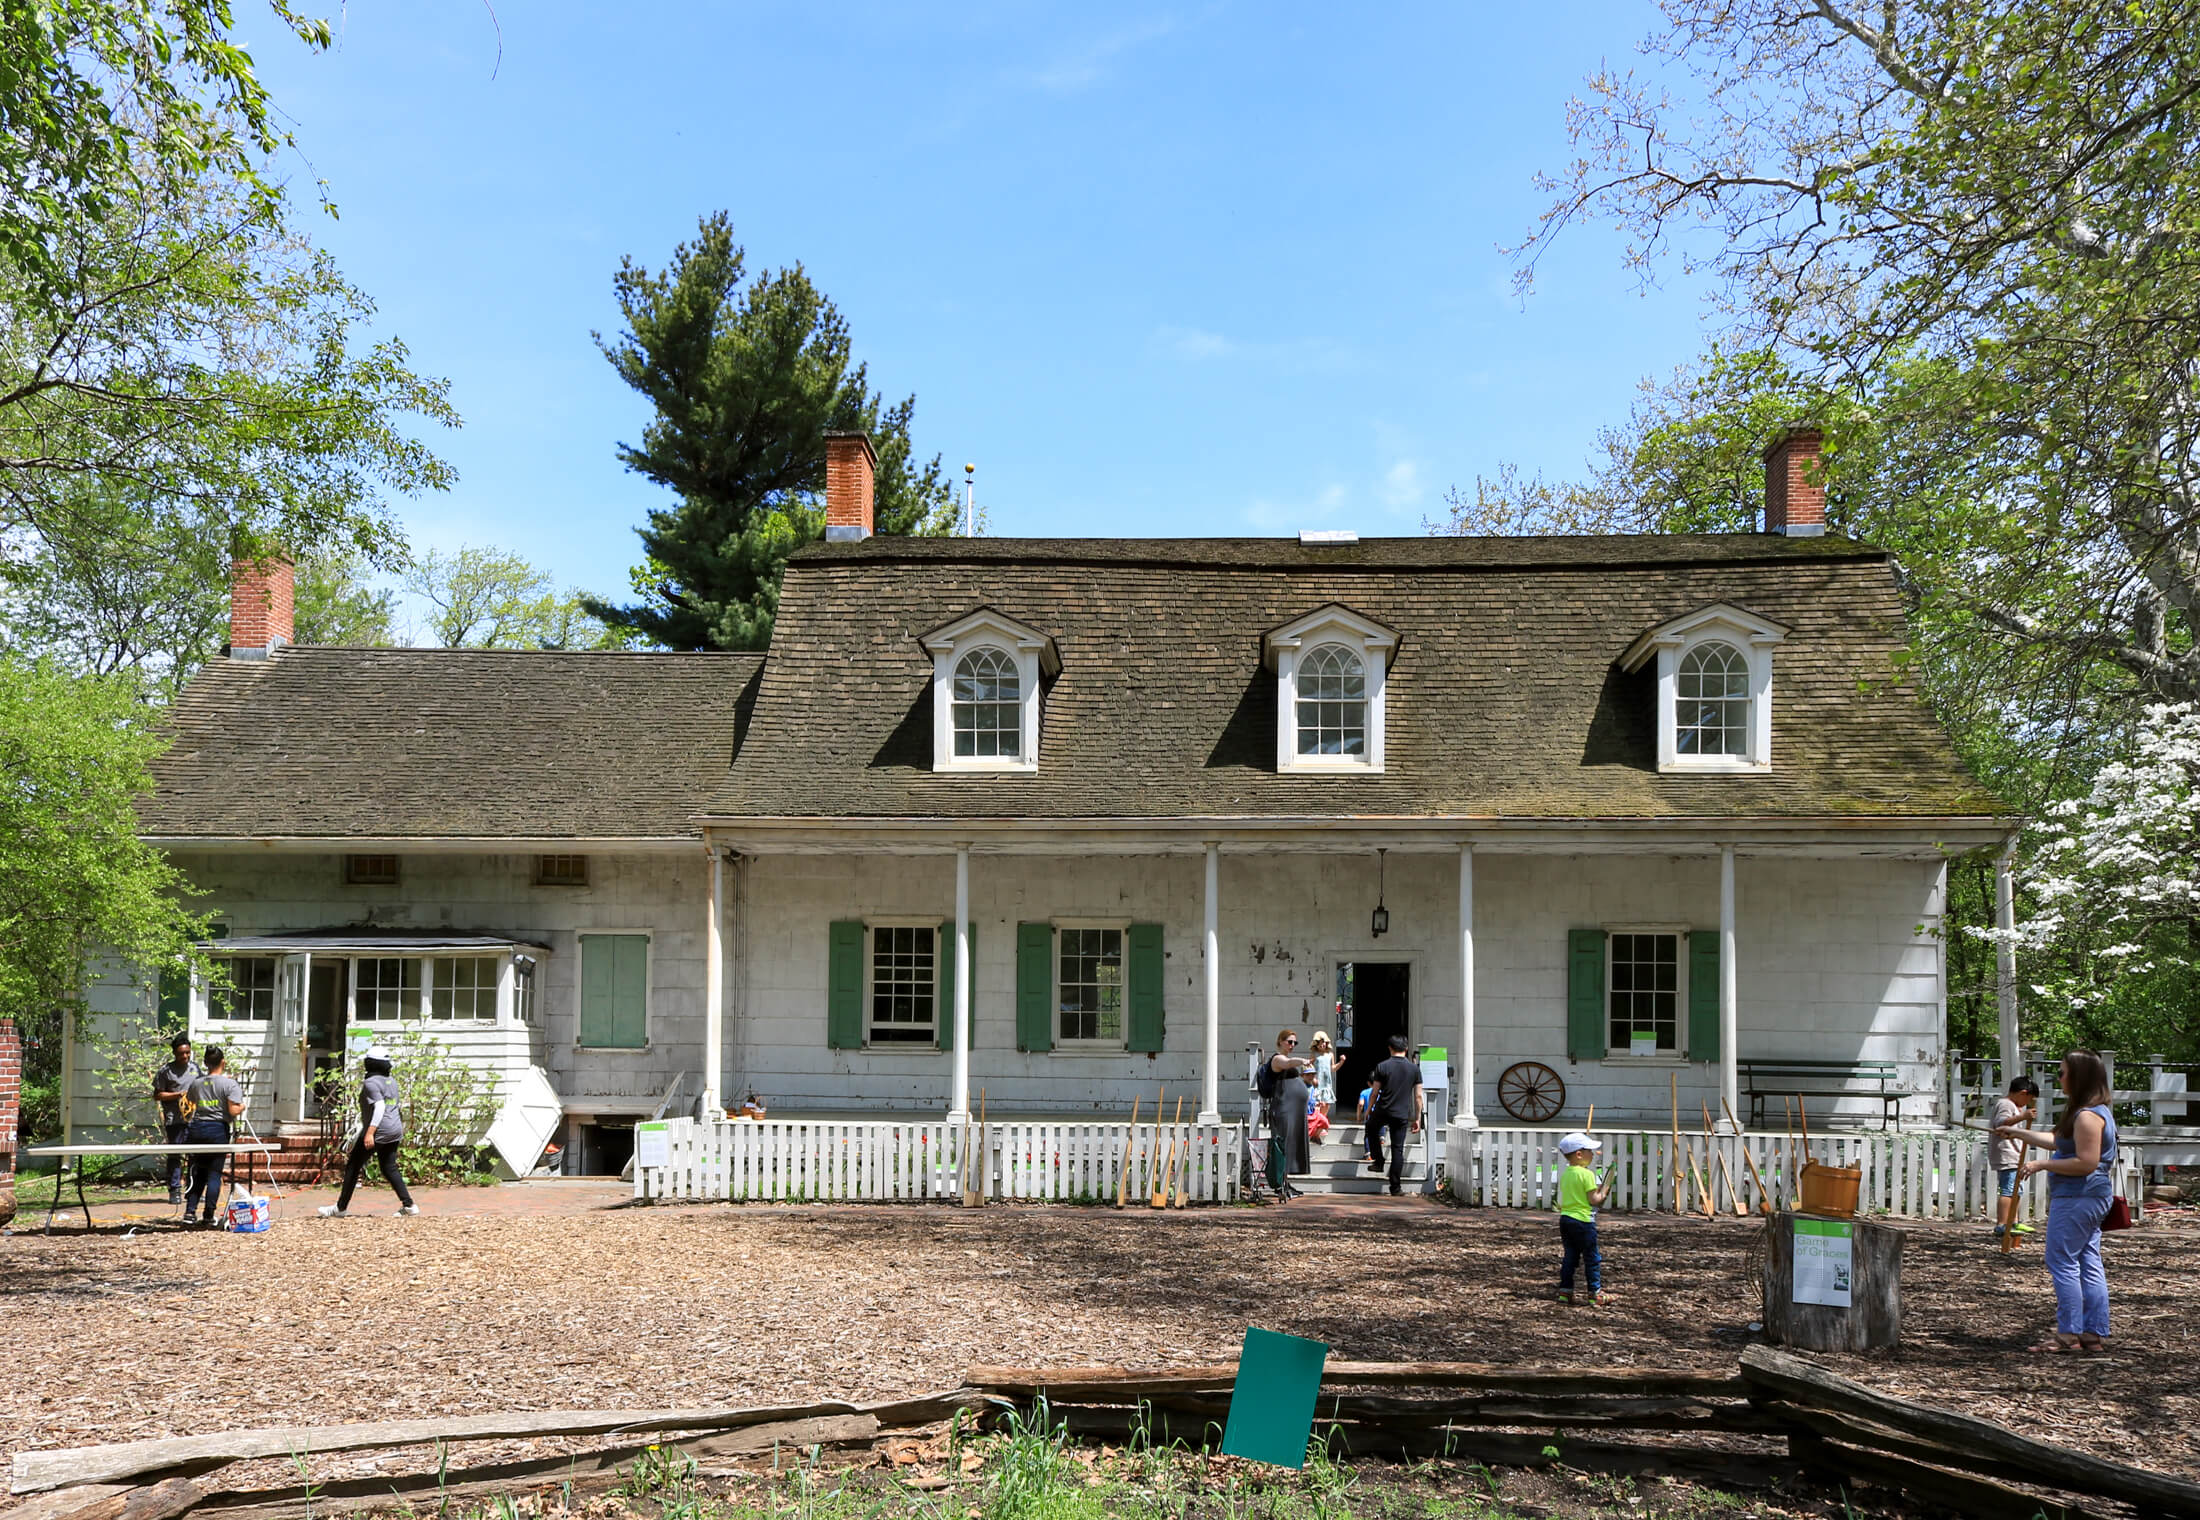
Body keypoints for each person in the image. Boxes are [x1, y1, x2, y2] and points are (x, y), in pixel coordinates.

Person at [1994, 1050, 2118, 1353]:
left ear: (2078, 1076)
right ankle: (2091, 1334)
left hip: (2078, 1197)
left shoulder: (2088, 1116)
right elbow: (2057, 1140)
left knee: (2061, 1261)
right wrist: (2017, 1131)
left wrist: (2042, 1165)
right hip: (2088, 1197)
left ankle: (2068, 1333)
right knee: (2088, 1261)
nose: (2059, 1078)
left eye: (2062, 1073)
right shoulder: (2089, 1112)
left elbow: (2085, 1163)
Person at [320, 1046, 418, 1218]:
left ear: (370, 1063)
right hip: (394, 1129)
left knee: (353, 1165)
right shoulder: (391, 1081)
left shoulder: (370, 1083)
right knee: (389, 1167)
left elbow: (379, 1107)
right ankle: (409, 1205)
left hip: (380, 1130)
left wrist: (370, 1133)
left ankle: (340, 1208)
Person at [180, 1045, 244, 1226]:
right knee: (214, 1174)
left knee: (196, 1172)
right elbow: (232, 1110)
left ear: (206, 1063)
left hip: (197, 1129)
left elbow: (191, 1101)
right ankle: (208, 1215)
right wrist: (242, 1106)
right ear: (223, 1062)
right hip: (217, 1130)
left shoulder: (196, 1083)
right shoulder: (230, 1084)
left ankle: (190, 1212)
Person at [1363, 1034, 1425, 1196]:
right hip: (1401, 1113)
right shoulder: (1414, 1069)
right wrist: (1418, 1118)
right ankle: (1395, 1187)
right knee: (1398, 1149)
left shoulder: (1382, 1066)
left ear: (1390, 1048)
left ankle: (1379, 1160)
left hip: (1383, 1109)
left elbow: (1375, 1092)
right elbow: (1418, 1096)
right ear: (1406, 1049)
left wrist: (1369, 1109)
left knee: (1371, 1128)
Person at [1556, 1131, 1612, 1306]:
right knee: (1591, 1258)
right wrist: (1604, 1191)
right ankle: (1595, 1293)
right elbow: (1593, 1200)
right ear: (1579, 1154)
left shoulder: (1566, 1174)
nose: (1593, 1154)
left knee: (1570, 1256)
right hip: (1583, 1221)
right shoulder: (1587, 1174)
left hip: (1566, 1220)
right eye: (1590, 1150)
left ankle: (1565, 1292)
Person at [1989, 1075, 2041, 1251]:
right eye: (2029, 1099)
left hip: (2015, 1154)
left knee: (2017, 1188)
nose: (2028, 1103)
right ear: (2023, 1093)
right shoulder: (2005, 1104)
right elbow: (2000, 1124)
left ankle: (2014, 1221)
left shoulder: (2015, 1106)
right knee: (2009, 1189)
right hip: (2006, 1153)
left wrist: (2024, 1116)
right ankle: (2002, 1223)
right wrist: (2023, 1116)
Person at [1264, 1029, 1316, 1199]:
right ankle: (1280, 1185)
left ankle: (1286, 1183)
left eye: (1295, 1043)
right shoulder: (1277, 1059)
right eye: (1289, 1042)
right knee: (1282, 1145)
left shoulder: (1289, 1060)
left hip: (1295, 1111)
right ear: (1280, 1042)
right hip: (1283, 1109)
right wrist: (1302, 1061)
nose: (1292, 1045)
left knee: (1291, 1146)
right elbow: (1287, 1064)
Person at [151, 1035, 201, 1205]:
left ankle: (193, 1189)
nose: (185, 1056)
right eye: (181, 1054)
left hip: (194, 1119)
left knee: (195, 1155)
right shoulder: (166, 1071)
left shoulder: (195, 1068)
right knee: (175, 1155)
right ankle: (174, 1190)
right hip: (174, 1120)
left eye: (188, 1053)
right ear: (174, 1053)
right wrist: (177, 1095)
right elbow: (157, 1095)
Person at [1308, 1031, 1338, 1121]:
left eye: (1323, 1043)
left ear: (1327, 1043)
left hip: (1327, 1084)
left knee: (1326, 1105)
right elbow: (1309, 1066)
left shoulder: (1330, 1054)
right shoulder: (1314, 1055)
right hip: (1318, 1084)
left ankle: (1321, 1123)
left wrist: (1341, 1062)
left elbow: (1333, 1068)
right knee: (1318, 1105)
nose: (1322, 1045)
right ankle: (1317, 1123)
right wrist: (1313, 1078)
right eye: (1319, 1044)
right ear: (1316, 1045)